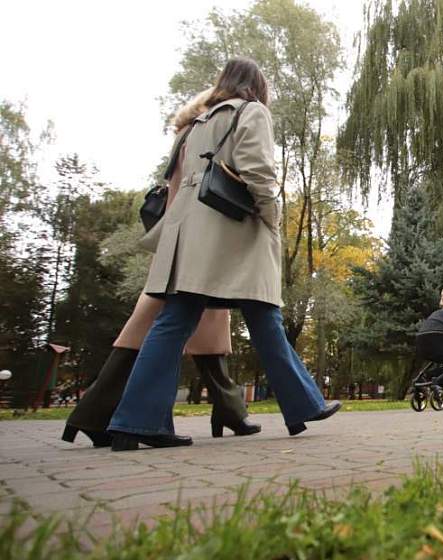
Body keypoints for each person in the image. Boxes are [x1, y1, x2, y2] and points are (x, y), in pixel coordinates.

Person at [106, 57, 339, 451]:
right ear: (257, 86)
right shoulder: (252, 112)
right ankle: (303, 404)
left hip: (187, 232)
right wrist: (272, 217)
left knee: (176, 321)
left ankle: (135, 421)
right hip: (231, 230)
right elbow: (258, 171)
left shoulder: (197, 122)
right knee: (264, 314)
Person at [62, 88, 259, 448]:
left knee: (188, 329)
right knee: (163, 328)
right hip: (193, 243)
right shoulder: (201, 134)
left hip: (182, 240)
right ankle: (95, 414)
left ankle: (227, 410)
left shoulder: (185, 136)